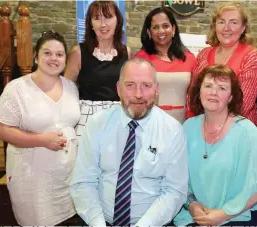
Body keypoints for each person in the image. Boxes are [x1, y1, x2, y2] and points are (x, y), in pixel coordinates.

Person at [70, 58, 188, 226]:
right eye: (130, 85)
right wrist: (98, 223)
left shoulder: (173, 131)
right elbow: (83, 182)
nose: (138, 94)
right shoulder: (97, 124)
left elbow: (174, 191)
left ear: (156, 90)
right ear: (118, 88)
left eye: (146, 86)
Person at [0, 31, 81, 225]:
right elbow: (2, 128)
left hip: (66, 178)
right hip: (32, 180)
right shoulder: (17, 89)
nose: (54, 58)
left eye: (59, 54)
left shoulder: (71, 87)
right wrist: (41, 140)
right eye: (47, 53)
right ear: (36, 56)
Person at [174, 65, 257, 226]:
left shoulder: (247, 132)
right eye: (208, 86)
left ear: (231, 97)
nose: (213, 92)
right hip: (194, 216)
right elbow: (178, 176)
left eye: (222, 88)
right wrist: (192, 205)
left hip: (236, 217)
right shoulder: (187, 128)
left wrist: (222, 215)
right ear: (199, 92)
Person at [187, 2, 257, 126]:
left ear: (243, 28)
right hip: (202, 126)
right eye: (221, 22)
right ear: (215, 26)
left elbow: (244, 103)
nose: (226, 28)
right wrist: (195, 124)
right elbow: (193, 95)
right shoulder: (204, 54)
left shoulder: (250, 55)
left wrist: (218, 126)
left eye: (233, 22)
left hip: (237, 129)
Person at [65, 0, 131, 136]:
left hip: (118, 118)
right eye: (97, 18)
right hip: (87, 119)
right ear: (90, 24)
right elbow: (66, 91)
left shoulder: (127, 53)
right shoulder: (78, 52)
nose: (103, 24)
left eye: (108, 17)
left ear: (118, 21)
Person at [135, 7, 195, 123]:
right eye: (155, 27)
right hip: (149, 123)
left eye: (165, 26)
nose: (161, 31)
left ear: (173, 29)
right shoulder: (140, 59)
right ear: (149, 32)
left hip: (183, 125)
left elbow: (195, 96)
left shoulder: (190, 59)